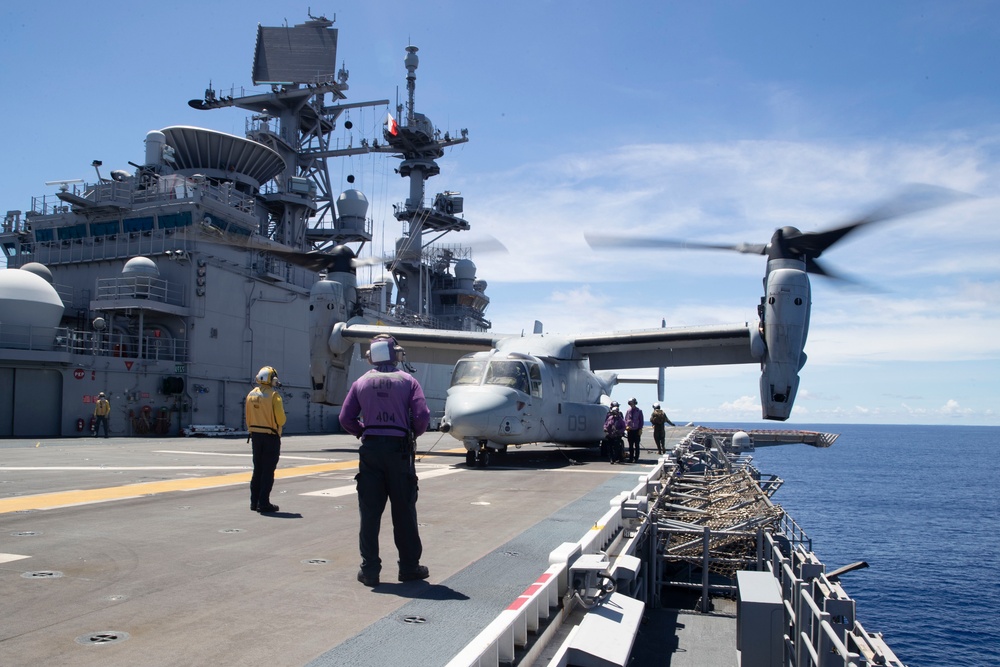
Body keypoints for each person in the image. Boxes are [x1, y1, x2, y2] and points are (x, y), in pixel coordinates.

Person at [339, 334, 431, 588]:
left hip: (370, 451)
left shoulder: (360, 383)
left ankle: (369, 570)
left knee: (369, 512)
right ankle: (409, 567)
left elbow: (346, 418)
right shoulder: (408, 381)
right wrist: (410, 431)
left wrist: (363, 430)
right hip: (399, 451)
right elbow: (422, 416)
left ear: (371, 356)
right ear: (395, 354)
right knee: (404, 510)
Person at [245, 366, 286, 514]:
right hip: (271, 436)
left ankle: (253, 502)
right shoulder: (274, 396)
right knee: (268, 471)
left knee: (258, 469)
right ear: (273, 379)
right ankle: (264, 503)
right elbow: (281, 420)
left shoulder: (250, 395)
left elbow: (248, 416)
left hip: (255, 436)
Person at [624, 398, 644, 463]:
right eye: (630, 403)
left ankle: (636, 458)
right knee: (630, 446)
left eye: (632, 403)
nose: (631, 404)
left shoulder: (639, 411)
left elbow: (641, 421)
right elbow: (626, 420)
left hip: (636, 430)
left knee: (637, 445)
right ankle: (631, 458)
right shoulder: (628, 411)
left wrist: (640, 428)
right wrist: (626, 426)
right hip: (630, 430)